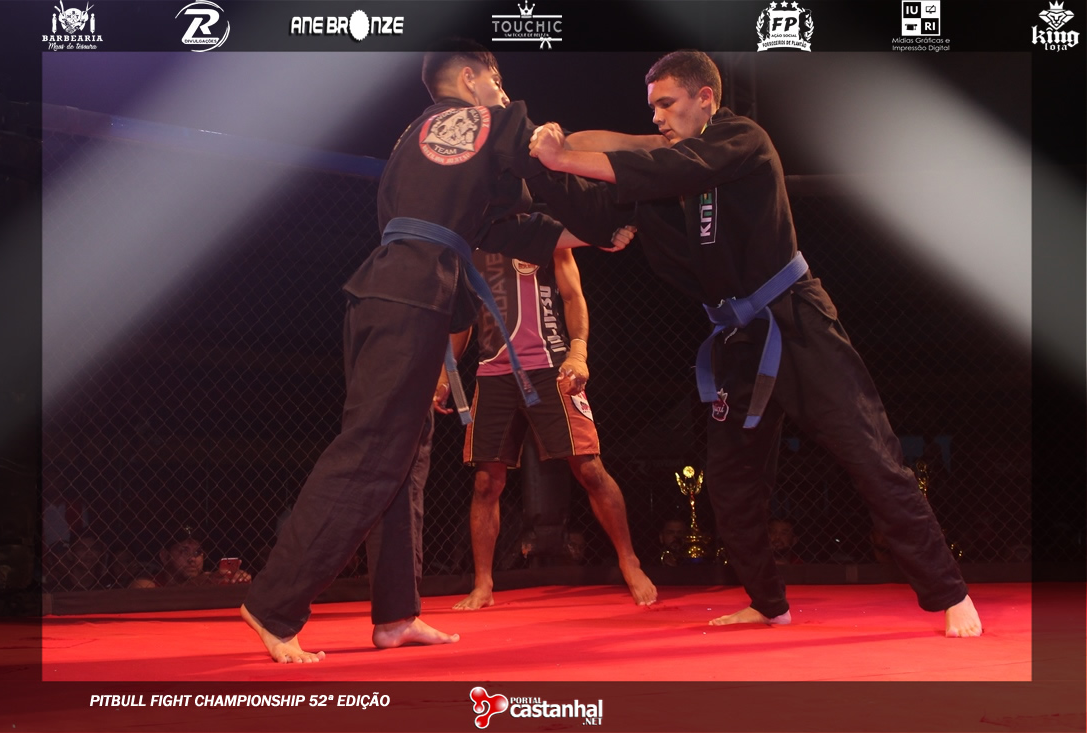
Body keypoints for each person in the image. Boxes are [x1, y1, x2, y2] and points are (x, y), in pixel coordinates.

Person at [528, 50, 982, 638]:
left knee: (868, 451)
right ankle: (768, 602)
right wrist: (550, 151)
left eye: (668, 103)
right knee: (730, 478)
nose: (658, 116)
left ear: (706, 99)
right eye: (653, 108)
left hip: (795, 321)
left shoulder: (743, 139)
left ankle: (950, 593)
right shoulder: (663, 178)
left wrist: (565, 154)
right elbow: (618, 169)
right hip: (736, 339)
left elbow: (663, 163)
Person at [239, 40, 623, 663]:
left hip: (390, 290)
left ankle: (396, 615)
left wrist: (591, 235)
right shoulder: (489, 120)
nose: (504, 94)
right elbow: (547, 170)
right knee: (372, 452)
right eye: (497, 80)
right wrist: (606, 212)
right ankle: (273, 604)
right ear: (471, 78)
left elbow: (499, 227)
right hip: (411, 296)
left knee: (403, 458)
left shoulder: (412, 139)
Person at [435, 247, 656, 609]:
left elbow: (572, 295)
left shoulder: (544, 234)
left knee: (589, 469)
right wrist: (446, 373)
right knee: (486, 482)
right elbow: (462, 319)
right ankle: (483, 583)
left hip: (550, 366)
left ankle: (629, 561)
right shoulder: (472, 246)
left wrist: (578, 353)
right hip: (493, 372)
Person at [130, 528, 251, 588]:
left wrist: (239, 583)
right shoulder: (147, 584)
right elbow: (164, 602)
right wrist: (195, 584)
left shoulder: (209, 582)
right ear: (165, 556)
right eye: (184, 551)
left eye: (198, 552)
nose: (192, 559)